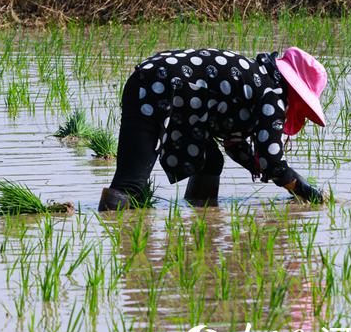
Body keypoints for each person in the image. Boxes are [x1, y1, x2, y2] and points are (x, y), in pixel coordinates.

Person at [98, 47, 327, 210]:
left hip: (151, 81)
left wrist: (255, 165)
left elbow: (234, 143)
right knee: (129, 185)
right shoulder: (272, 95)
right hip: (158, 87)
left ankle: (204, 216)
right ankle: (120, 248)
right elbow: (273, 162)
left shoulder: (257, 80)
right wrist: (308, 192)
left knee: (209, 160)